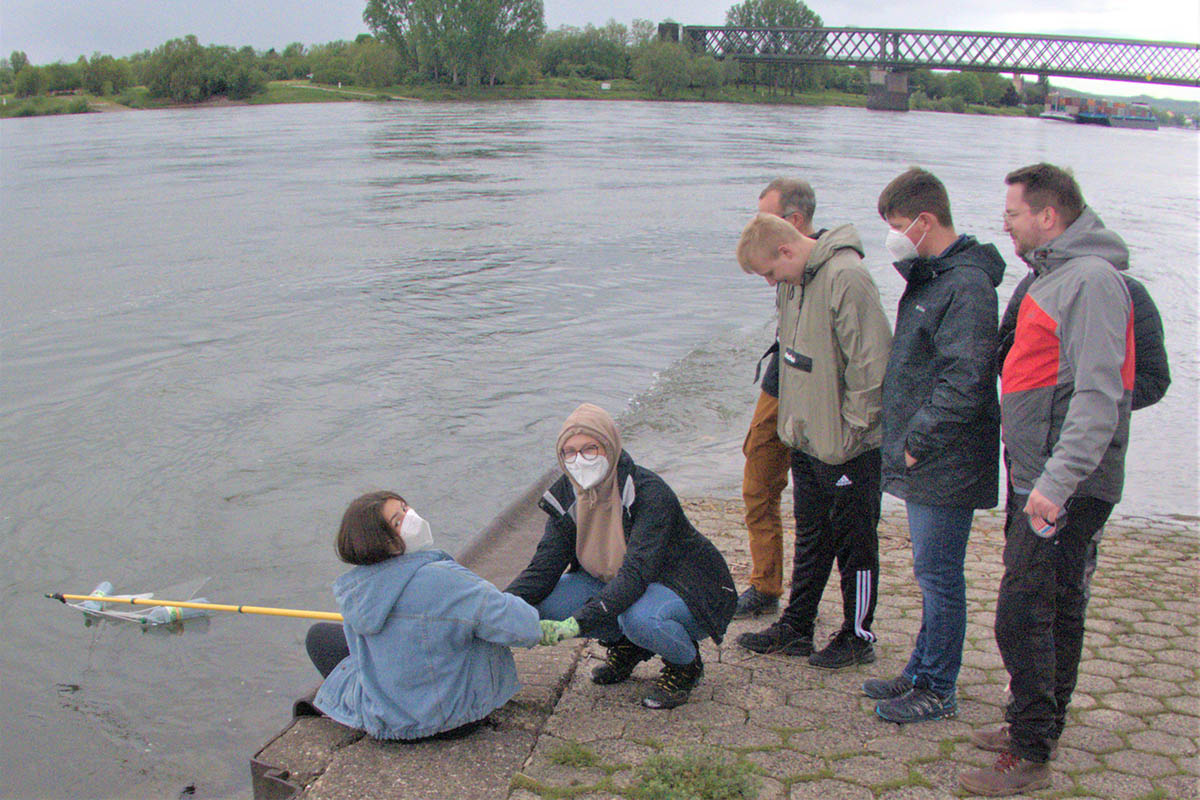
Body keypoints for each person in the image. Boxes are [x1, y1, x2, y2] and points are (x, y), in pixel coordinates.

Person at [960, 164, 1135, 797]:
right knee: (1054, 606)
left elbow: (1099, 396)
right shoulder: (1056, 275)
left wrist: (1057, 482)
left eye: (1011, 214)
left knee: (1023, 612)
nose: (1004, 224)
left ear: (1048, 217)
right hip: (1039, 473)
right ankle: (1036, 725)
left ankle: (1031, 753)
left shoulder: (1088, 281)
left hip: (1064, 484)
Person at [862, 168, 1005, 724]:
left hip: (946, 459)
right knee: (930, 573)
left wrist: (917, 443)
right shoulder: (936, 276)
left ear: (925, 221)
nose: (893, 238)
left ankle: (938, 688)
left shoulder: (965, 286)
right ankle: (921, 668)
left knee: (940, 577)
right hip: (931, 456)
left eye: (898, 227)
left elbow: (965, 378)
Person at [734, 212, 892, 669]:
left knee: (856, 544)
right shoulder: (792, 283)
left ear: (786, 250)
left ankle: (857, 635)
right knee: (811, 539)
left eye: (769, 271)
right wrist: (794, 429)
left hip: (847, 446)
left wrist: (853, 430)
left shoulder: (848, 278)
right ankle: (797, 625)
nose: (768, 282)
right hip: (805, 438)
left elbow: (871, 363)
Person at [505, 403, 737, 710]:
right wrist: (495, 606)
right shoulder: (565, 496)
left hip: (684, 590)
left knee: (638, 618)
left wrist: (577, 623)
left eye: (591, 449)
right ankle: (626, 646)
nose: (580, 461)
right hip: (614, 583)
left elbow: (636, 575)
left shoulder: (649, 493)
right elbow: (542, 570)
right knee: (542, 607)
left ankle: (685, 665)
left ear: (611, 447)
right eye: (570, 453)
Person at [304, 490, 542, 741]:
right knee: (476, 625)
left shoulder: (355, 590)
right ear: (383, 541)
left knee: (319, 636)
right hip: (458, 719)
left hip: (389, 721)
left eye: (406, 509)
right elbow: (526, 627)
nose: (411, 518)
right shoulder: (444, 578)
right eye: (398, 521)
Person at [735, 178, 825, 620]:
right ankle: (765, 584)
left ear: (792, 221)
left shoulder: (831, 267)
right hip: (780, 379)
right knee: (758, 479)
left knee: (819, 504)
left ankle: (811, 605)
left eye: (763, 216)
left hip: (817, 391)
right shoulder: (783, 268)